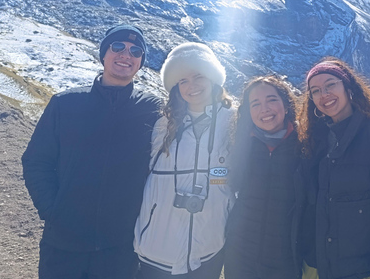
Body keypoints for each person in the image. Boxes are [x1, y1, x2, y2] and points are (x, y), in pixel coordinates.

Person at [22, 24, 163, 279]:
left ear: (141, 62)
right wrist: (53, 211)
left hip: (120, 247)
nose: (126, 55)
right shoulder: (65, 104)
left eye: (135, 51)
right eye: (117, 47)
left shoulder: (151, 109)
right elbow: (36, 161)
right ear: (103, 54)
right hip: (64, 243)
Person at [297, 58, 370, 279]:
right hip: (313, 267)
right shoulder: (314, 142)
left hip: (358, 272)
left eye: (331, 85)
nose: (324, 94)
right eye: (316, 90)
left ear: (349, 88)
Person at [134, 42, 235, 278]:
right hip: (157, 248)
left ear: (213, 78)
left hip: (207, 249)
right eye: (182, 81)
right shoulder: (162, 124)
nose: (192, 86)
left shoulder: (233, 122)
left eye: (198, 76)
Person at [225, 76, 303, 279]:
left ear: (286, 105)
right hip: (240, 255)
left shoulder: (306, 145)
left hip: (286, 259)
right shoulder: (241, 145)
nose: (264, 109)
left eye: (271, 100)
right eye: (256, 104)